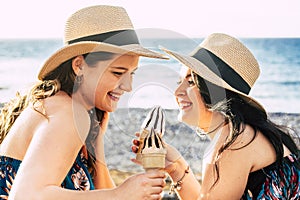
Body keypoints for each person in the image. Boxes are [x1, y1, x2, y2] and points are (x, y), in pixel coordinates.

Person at [0, 5, 167, 200]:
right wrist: (120, 194)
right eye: (118, 73)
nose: (128, 86)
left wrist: (96, 144)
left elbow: (99, 191)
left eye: (131, 73)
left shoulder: (67, 109)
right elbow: (24, 196)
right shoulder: (66, 112)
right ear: (79, 65)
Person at [132, 33, 300, 199]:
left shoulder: (235, 142)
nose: (177, 92)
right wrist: (176, 167)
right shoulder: (240, 134)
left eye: (190, 82)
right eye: (179, 82)